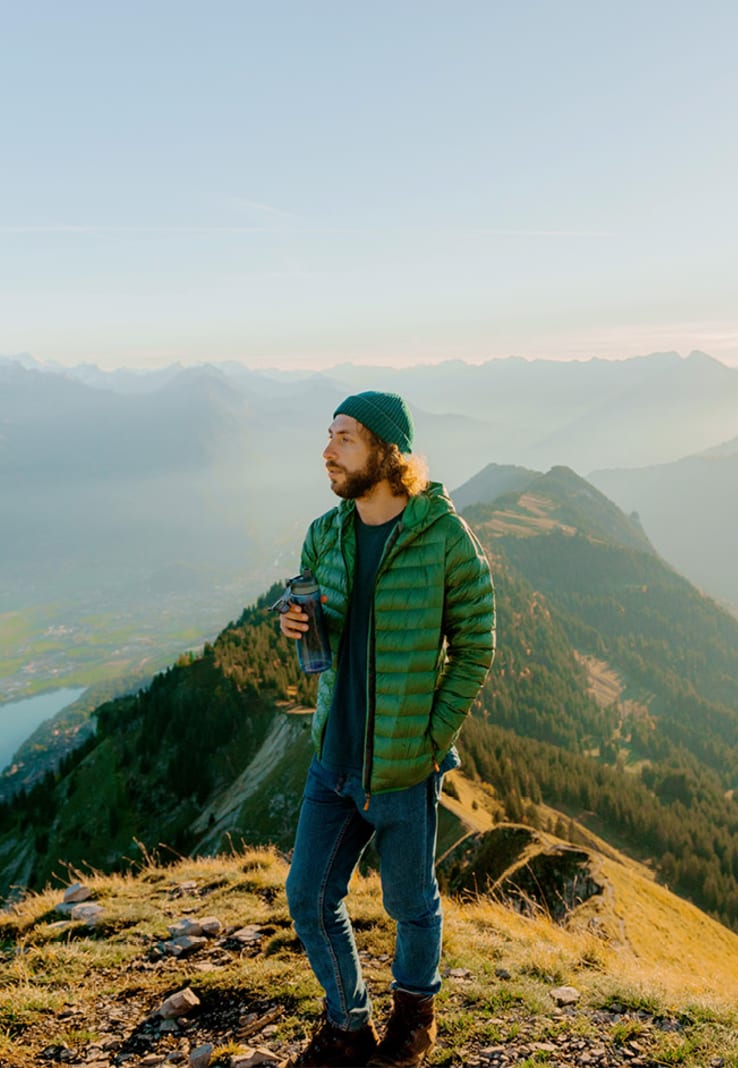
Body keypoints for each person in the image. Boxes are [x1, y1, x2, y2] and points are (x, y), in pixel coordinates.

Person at [279, 390, 496, 1067]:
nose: (327, 450)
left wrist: (432, 738)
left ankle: (414, 1025)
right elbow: (317, 632)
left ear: (385, 450)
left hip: (405, 764)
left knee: (410, 906)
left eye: (344, 437)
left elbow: (477, 643)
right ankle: (348, 1027)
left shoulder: (443, 537)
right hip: (333, 758)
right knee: (308, 896)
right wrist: (294, 625)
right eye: (329, 435)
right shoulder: (326, 533)